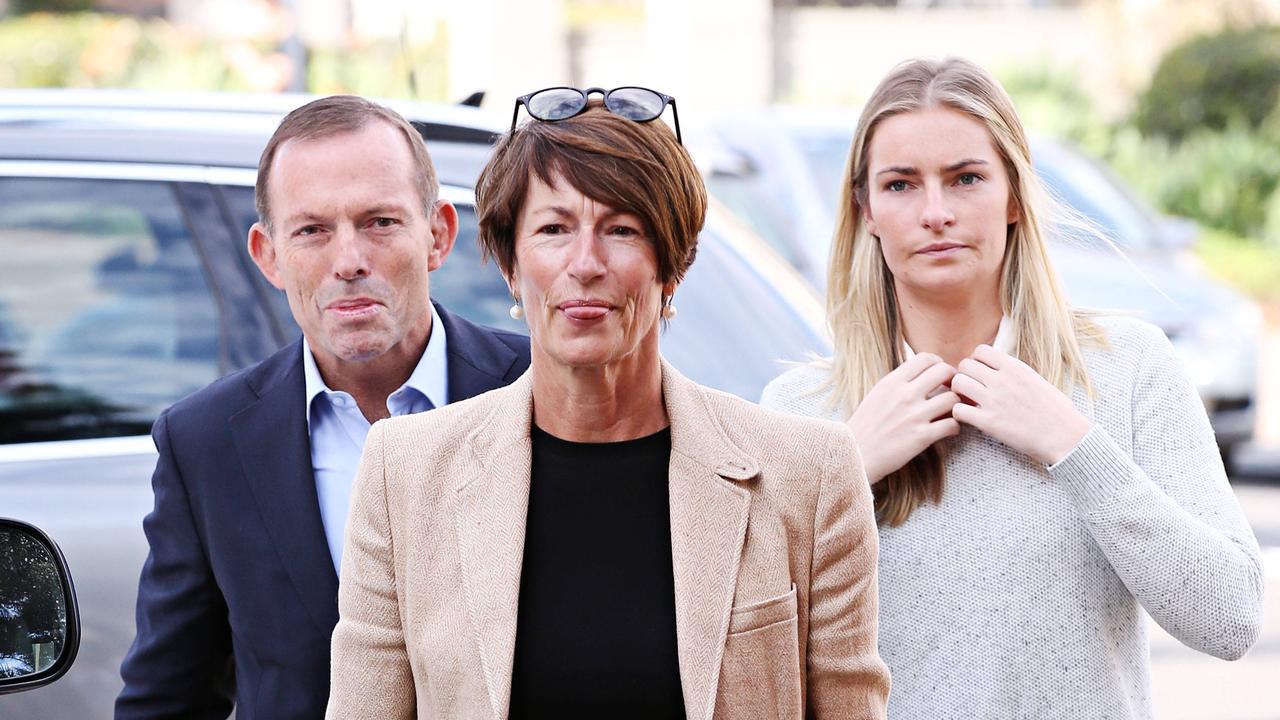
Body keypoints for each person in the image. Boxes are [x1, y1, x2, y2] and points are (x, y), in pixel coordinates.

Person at [325, 87, 890, 720]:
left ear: (671, 266)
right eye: (553, 229)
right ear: (511, 265)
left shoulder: (806, 474)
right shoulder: (405, 473)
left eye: (621, 229)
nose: (585, 263)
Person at [761, 57, 1265, 718]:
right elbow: (742, 655)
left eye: (966, 178)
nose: (935, 212)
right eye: (901, 184)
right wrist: (844, 473)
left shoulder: (1129, 367)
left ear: (1015, 196)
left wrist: (1076, 447)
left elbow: (1229, 618)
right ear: (867, 209)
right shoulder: (801, 413)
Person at [115, 95, 531, 720]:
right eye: (311, 231)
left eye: (380, 222)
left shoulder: (542, 392)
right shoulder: (205, 443)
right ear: (268, 256)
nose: (348, 261)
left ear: (439, 234)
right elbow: (167, 696)